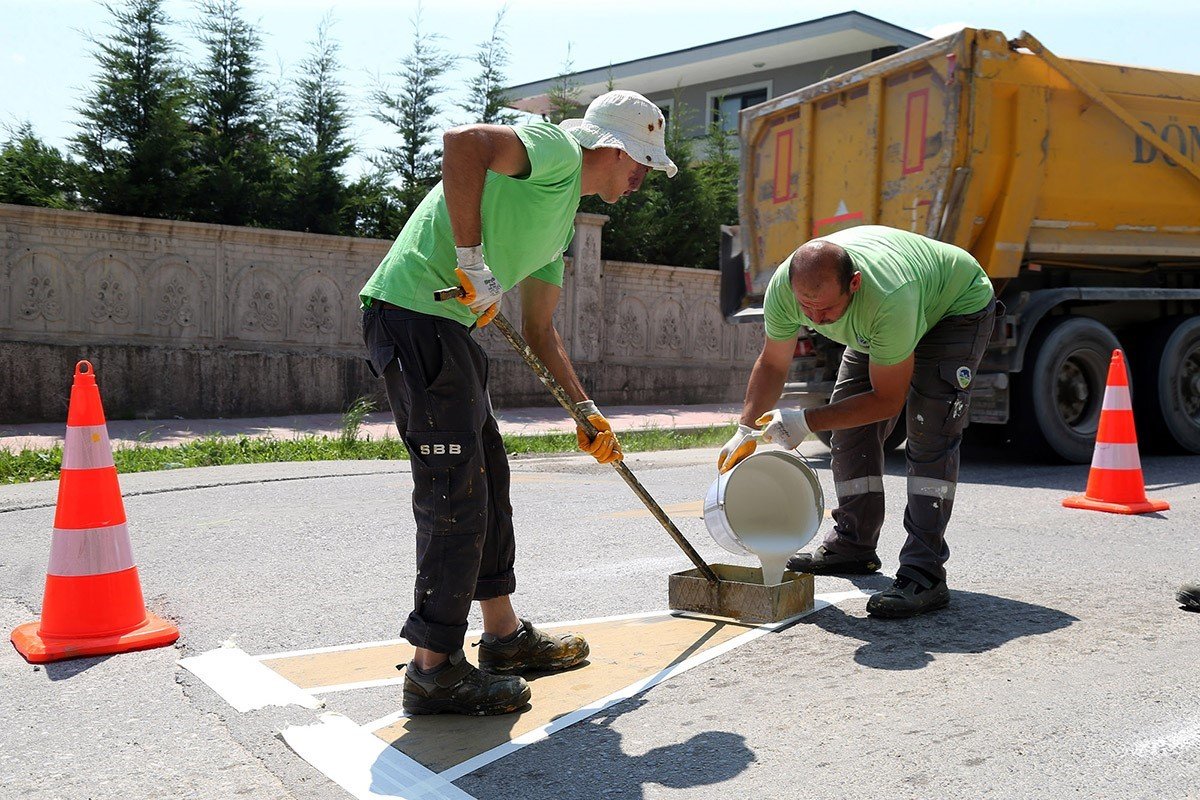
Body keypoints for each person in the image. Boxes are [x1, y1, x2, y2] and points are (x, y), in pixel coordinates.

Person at [359, 90, 677, 716]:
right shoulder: (556, 149)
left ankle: (502, 636)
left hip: (446, 328)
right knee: (456, 492)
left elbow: (540, 333)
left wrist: (584, 411)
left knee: (487, 480)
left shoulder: (559, 222)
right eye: (640, 162)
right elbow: (463, 145)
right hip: (414, 316)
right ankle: (433, 669)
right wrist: (472, 261)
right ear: (611, 149)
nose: (642, 178)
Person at [719, 225, 997, 619]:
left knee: (928, 430)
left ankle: (925, 571)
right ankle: (853, 545)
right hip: (882, 320)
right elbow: (774, 362)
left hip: (954, 309)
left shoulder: (888, 298)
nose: (816, 318)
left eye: (827, 310)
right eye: (807, 309)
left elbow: (887, 400)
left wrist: (806, 420)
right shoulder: (787, 288)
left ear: (854, 283)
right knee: (848, 426)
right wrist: (744, 428)